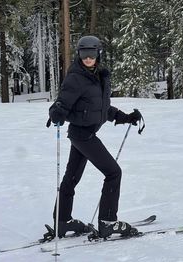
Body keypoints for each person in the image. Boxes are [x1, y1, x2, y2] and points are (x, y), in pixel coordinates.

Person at [47, 35, 142, 239]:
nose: (88, 58)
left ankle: (62, 221)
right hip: (83, 135)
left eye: (91, 54)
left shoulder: (100, 76)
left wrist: (125, 117)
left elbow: (101, 108)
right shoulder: (75, 77)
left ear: (98, 54)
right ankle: (108, 222)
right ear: (79, 55)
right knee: (113, 173)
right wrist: (56, 113)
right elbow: (62, 102)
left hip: (83, 134)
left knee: (71, 178)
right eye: (83, 54)